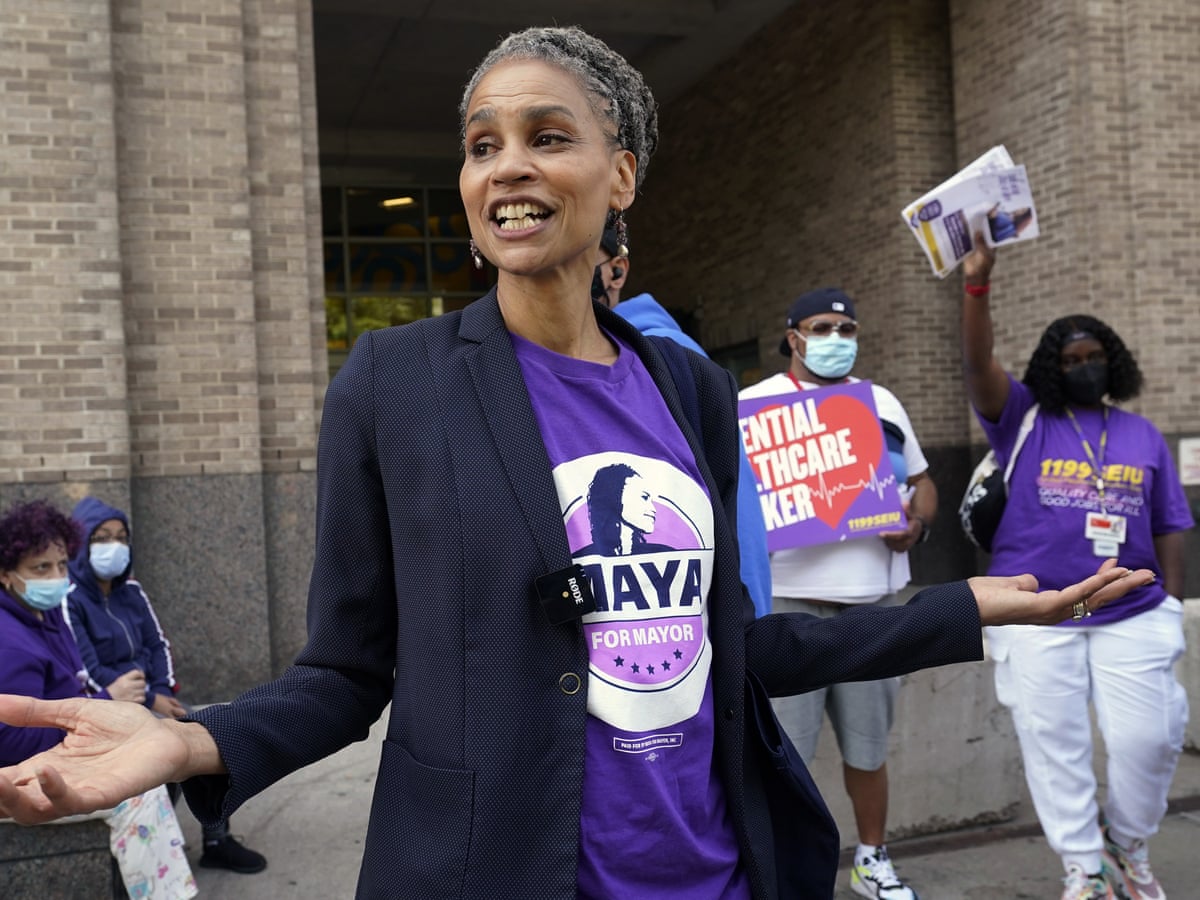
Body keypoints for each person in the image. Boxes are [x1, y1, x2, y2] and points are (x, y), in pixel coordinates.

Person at [0, 27, 1155, 900]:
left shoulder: (687, 385)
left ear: (622, 174)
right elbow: (347, 673)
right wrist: (196, 741)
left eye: (548, 137)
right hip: (492, 869)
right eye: (481, 144)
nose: (508, 166)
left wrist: (967, 604)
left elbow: (735, 644)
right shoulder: (392, 387)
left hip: (714, 866)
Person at [961, 238, 1192, 900]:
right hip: (1040, 609)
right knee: (1052, 740)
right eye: (1071, 359)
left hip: (1130, 609)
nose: (1084, 367)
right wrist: (976, 288)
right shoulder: (1026, 417)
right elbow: (978, 366)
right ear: (1053, 368)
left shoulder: (1142, 435)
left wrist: (1172, 602)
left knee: (1148, 740)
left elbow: (1171, 523)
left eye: (1094, 358)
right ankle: (1084, 865)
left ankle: (1127, 842)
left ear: (1111, 364)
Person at [739, 287, 938, 900]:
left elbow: (925, 483)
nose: (835, 340)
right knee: (783, 757)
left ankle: (872, 858)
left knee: (868, 747)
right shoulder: (752, 406)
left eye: (846, 329)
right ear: (793, 336)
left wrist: (917, 524)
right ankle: (783, 870)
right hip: (789, 604)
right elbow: (726, 495)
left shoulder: (881, 402)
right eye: (822, 328)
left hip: (870, 605)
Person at [0, 500, 198, 899]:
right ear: (6, 575)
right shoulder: (10, 641)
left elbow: (79, 681)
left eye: (60, 564)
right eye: (41, 568)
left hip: (66, 750)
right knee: (140, 787)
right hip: (25, 774)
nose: (56, 577)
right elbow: (10, 740)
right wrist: (102, 705)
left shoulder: (45, 613)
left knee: (169, 748)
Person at [66, 496, 267, 875]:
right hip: (110, 704)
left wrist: (163, 692)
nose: (115, 546)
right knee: (159, 753)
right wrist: (148, 698)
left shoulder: (132, 592)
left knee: (209, 734)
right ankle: (160, 852)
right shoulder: (70, 601)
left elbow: (157, 644)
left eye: (121, 537)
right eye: (102, 538)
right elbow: (83, 666)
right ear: (80, 543)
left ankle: (217, 839)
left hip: (152, 697)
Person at [594, 227, 774, 618]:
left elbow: (733, 497)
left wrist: (753, 629)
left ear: (617, 271)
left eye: (580, 251)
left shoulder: (667, 360)